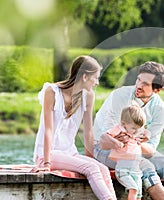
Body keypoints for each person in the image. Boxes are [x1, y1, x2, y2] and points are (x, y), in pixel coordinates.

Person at [93, 61, 164, 200]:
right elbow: (106, 140)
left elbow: (151, 148)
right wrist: (131, 142)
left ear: (157, 90)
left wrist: (135, 143)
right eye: (138, 80)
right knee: (145, 166)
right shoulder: (120, 96)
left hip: (135, 149)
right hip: (104, 150)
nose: (138, 85)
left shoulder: (159, 108)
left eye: (145, 84)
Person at [33, 55, 116, 200]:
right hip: (48, 154)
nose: (96, 83)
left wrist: (90, 159)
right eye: (95, 78)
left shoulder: (88, 96)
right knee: (92, 169)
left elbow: (88, 132)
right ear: (84, 77)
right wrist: (46, 163)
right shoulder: (52, 92)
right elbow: (48, 129)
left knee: (101, 168)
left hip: (69, 153)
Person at [106, 104, 150, 200]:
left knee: (138, 195)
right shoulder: (120, 130)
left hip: (136, 171)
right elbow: (107, 136)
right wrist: (116, 142)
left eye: (139, 128)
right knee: (133, 189)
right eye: (134, 128)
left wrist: (147, 135)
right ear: (123, 124)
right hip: (123, 170)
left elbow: (146, 132)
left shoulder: (137, 132)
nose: (136, 131)